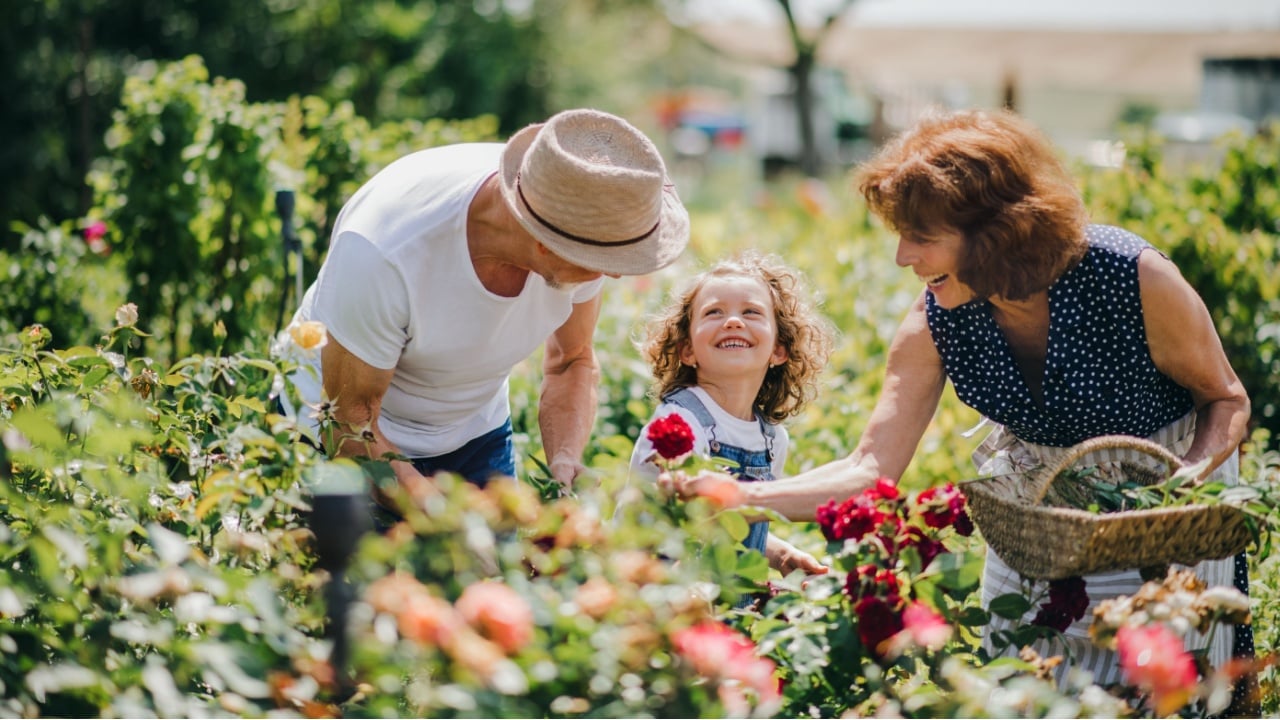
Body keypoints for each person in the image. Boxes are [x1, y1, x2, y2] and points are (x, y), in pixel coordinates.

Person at [669, 109, 1253, 686]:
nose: (903, 256)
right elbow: (871, 469)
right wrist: (740, 496)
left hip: (1163, 498)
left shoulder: (1130, 277)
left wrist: (1179, 490)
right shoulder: (936, 321)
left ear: (998, 232)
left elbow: (1226, 398)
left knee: (1152, 678)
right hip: (1037, 507)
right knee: (1023, 673)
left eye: (921, 237)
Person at [287, 108, 690, 506]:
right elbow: (349, 421)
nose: (615, 275)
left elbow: (572, 360)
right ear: (544, 243)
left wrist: (565, 456)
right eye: (604, 263)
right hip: (344, 433)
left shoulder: (584, 208)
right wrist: (447, 522)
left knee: (495, 570)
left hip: (473, 430)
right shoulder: (384, 251)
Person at [630, 252, 834, 580]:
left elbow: (735, 523)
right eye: (714, 312)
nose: (733, 321)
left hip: (725, 604)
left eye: (751, 312)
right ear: (688, 350)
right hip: (659, 593)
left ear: (778, 350)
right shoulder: (678, 425)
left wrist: (780, 553)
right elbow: (677, 529)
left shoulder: (772, 440)